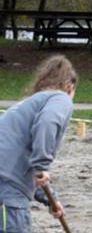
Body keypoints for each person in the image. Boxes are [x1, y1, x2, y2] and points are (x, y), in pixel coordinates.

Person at [0, 55, 77, 232]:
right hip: (8, 190)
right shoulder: (60, 98)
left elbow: (32, 171)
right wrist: (43, 163)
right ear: (70, 87)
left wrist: (51, 200)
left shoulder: (25, 106)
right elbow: (48, 122)